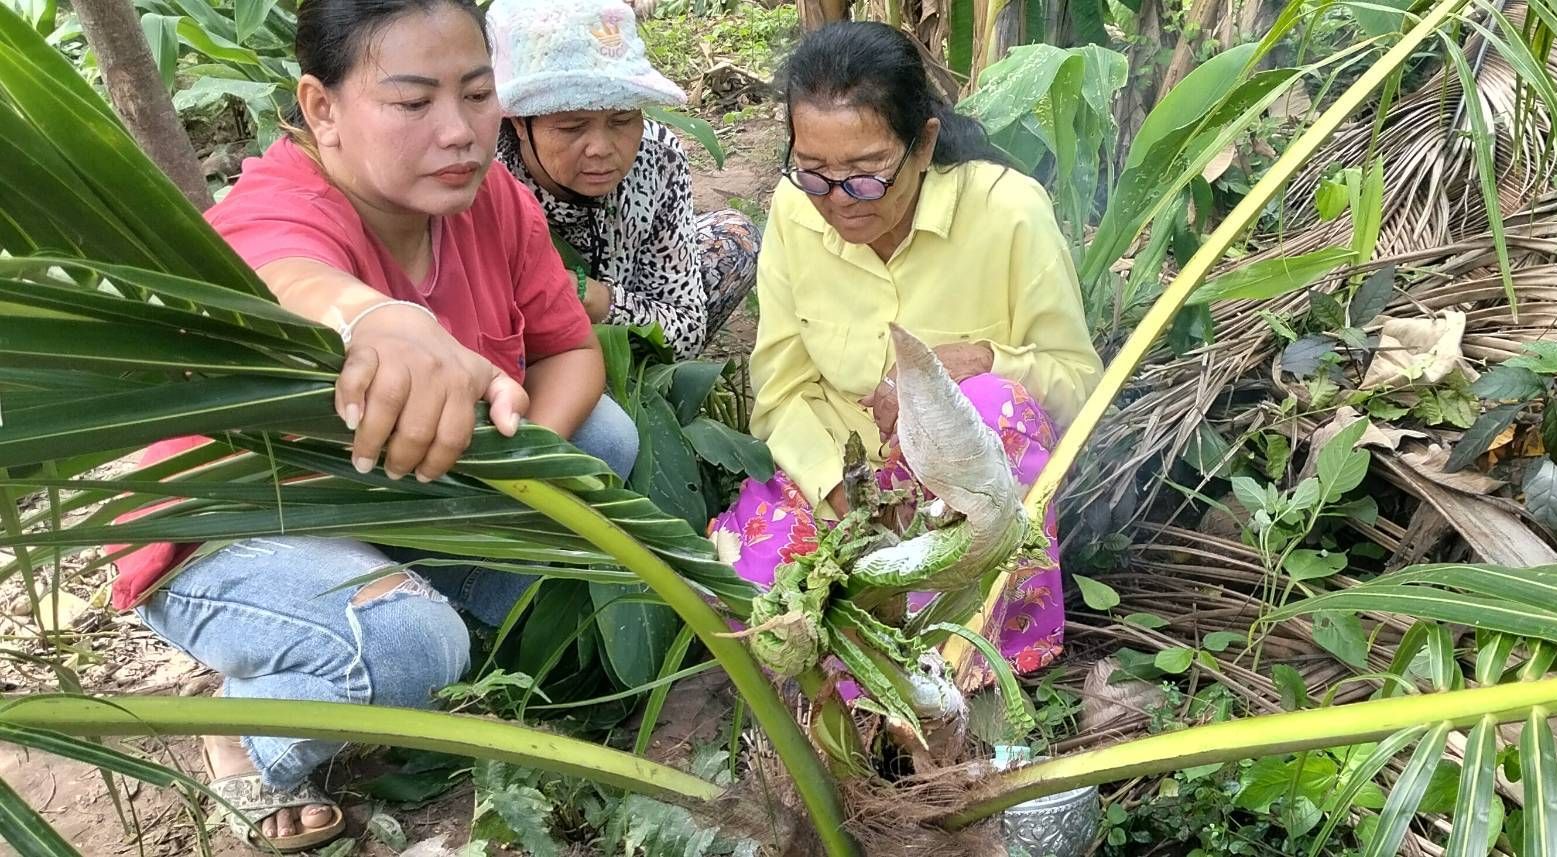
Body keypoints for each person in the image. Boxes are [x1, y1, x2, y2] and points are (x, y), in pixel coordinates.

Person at [108, 0, 639, 849]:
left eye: (477, 95)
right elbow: (274, 270)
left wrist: (518, 463)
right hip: (236, 528)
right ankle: (243, 731)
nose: (459, 132)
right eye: (413, 101)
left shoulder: (491, 201)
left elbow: (571, 352)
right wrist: (372, 317)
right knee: (407, 650)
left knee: (602, 438)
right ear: (321, 108)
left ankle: (398, 632)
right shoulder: (280, 207)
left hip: (389, 498)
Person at [708, 21, 1103, 682]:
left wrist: (984, 361)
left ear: (922, 146)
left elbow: (1079, 386)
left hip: (968, 490)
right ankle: (867, 681)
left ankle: (974, 660)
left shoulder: (1008, 212)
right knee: (758, 600)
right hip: (845, 479)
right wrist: (840, 491)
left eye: (866, 176)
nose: (839, 201)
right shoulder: (793, 211)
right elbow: (781, 392)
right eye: (814, 173)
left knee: (992, 403)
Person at [488, 0, 760, 358]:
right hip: (529, 352)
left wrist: (597, 299)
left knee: (736, 238)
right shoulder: (488, 181)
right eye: (572, 127)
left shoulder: (658, 159)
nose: (601, 149)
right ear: (520, 123)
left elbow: (688, 328)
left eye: (622, 121)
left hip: (626, 316)